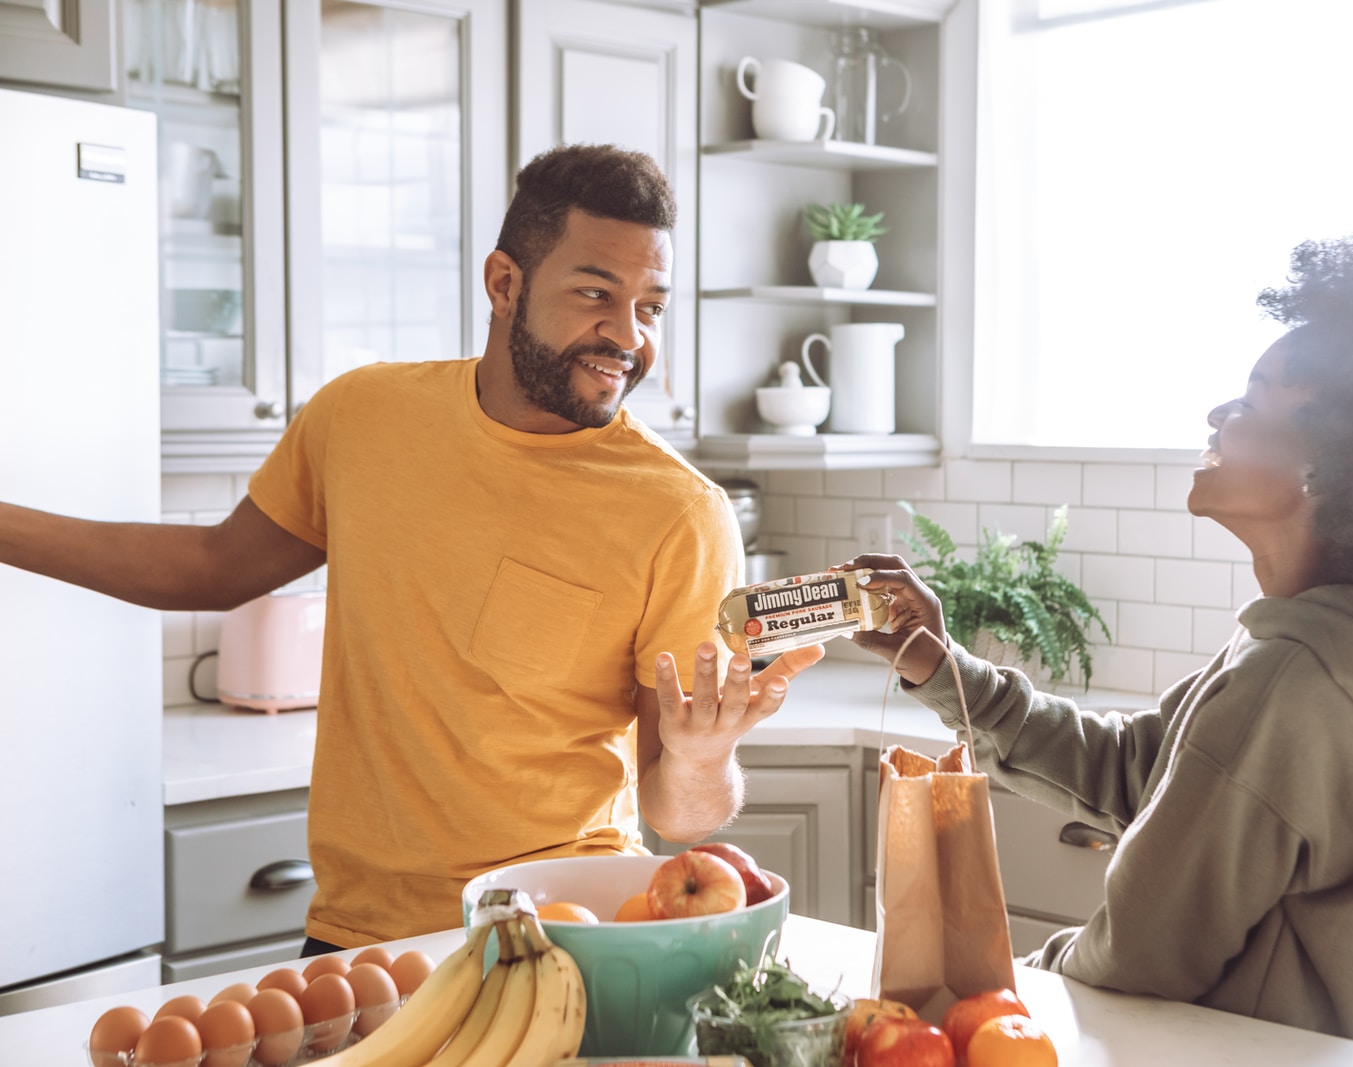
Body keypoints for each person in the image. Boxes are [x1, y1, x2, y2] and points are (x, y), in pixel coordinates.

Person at [0, 143, 822, 949]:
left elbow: (677, 814)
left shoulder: (680, 513)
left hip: (560, 937)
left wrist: (705, 757)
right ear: (505, 283)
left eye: (650, 307)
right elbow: (213, 567)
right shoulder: (362, 417)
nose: (628, 337)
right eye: (595, 292)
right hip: (356, 937)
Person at [841, 217, 1353, 1056]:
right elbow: (1146, 771)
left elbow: (1136, 957)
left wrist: (985, 989)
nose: (1215, 413)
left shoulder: (1295, 680)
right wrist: (941, 666)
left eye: (1248, 402)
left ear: (1328, 464)